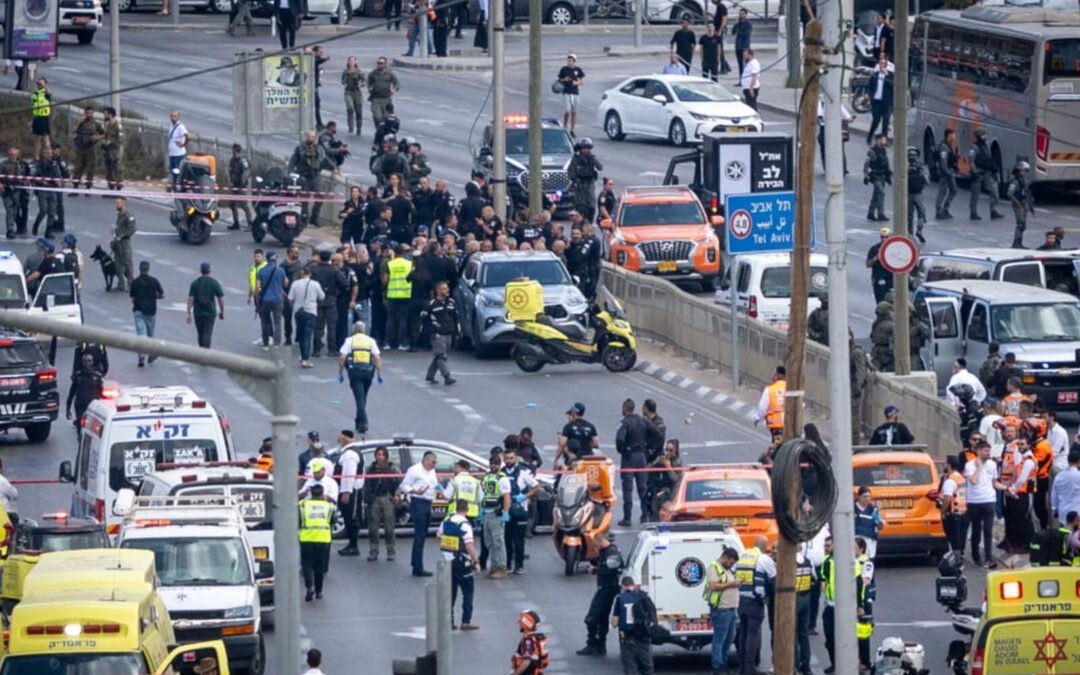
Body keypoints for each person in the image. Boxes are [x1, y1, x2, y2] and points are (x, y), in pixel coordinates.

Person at [577, 530, 623, 656]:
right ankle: (600, 646)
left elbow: (611, 570)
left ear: (601, 540)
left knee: (591, 618)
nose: (595, 545)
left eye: (595, 543)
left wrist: (595, 570)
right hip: (605, 588)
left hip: (607, 589)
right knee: (602, 618)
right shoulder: (605, 551)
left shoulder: (612, 553)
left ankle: (593, 644)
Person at [438, 499, 481, 630]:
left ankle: (449, 621)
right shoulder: (465, 524)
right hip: (462, 562)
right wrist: (476, 562)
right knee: (468, 592)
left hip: (447, 561)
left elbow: (439, 535)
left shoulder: (446, 521)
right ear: (467, 509)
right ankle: (466, 621)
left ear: (456, 508)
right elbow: (469, 546)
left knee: (450, 593)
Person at [736, 535, 774, 675]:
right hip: (755, 601)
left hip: (741, 600)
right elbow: (774, 578)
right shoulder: (763, 559)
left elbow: (734, 573)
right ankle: (749, 668)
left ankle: (742, 667)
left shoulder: (742, 556)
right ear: (764, 546)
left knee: (743, 633)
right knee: (753, 634)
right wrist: (767, 600)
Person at [338, 321, 382, 437]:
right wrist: (379, 374)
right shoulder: (370, 341)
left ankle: (363, 423)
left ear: (354, 330)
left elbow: (342, 357)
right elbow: (377, 358)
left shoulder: (349, 341)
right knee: (363, 397)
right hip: (368, 372)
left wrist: (340, 372)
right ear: (364, 330)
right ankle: (358, 421)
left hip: (355, 372)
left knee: (359, 399)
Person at [616, 398, 655, 527]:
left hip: (629, 458)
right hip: (642, 457)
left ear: (624, 408)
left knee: (628, 489)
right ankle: (645, 515)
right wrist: (649, 448)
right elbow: (656, 433)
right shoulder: (643, 420)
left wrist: (623, 450)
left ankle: (627, 517)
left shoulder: (625, 423)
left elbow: (620, 439)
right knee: (642, 488)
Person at [400, 451, 439, 576]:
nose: (434, 465)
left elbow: (434, 485)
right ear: (426, 460)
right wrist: (414, 491)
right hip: (418, 502)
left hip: (428, 503)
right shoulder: (414, 470)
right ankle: (417, 566)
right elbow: (403, 486)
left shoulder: (432, 471)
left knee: (423, 535)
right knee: (419, 535)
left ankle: (417, 564)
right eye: (433, 462)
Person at [704, 546, 740, 674]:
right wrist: (732, 584)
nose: (731, 565)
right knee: (720, 639)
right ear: (724, 557)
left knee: (730, 637)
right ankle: (717, 666)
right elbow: (713, 586)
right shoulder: (714, 568)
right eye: (731, 562)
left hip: (731, 609)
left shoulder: (727, 569)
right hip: (721, 609)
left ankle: (723, 662)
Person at [503, 448, 539, 574]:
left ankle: (519, 565)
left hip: (520, 510)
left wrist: (525, 496)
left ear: (516, 458)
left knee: (519, 539)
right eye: (507, 458)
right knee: (506, 539)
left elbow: (536, 487)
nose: (509, 461)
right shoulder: (501, 473)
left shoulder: (524, 472)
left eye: (511, 458)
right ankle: (507, 564)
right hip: (506, 510)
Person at [965, 440, 999, 568]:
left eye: (989, 451)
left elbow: (994, 482)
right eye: (985, 451)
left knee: (988, 530)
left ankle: (988, 557)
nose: (988, 453)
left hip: (989, 499)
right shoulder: (970, 465)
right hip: (974, 501)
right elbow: (973, 481)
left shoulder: (992, 465)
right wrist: (979, 467)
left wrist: (1007, 488)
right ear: (978, 451)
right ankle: (976, 556)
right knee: (976, 529)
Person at [364, 445, 401, 561]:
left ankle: (391, 551)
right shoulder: (371, 469)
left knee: (389, 528)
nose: (380, 457)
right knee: (373, 528)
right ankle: (373, 551)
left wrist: (397, 495)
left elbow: (400, 483)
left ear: (386, 456)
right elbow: (366, 485)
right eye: (378, 455)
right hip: (374, 499)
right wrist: (365, 500)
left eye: (383, 455)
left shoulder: (392, 468)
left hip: (387, 498)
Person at [299, 482, 335, 601]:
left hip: (306, 538)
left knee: (307, 564)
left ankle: (310, 587)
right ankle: (319, 592)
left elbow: (299, 520)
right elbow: (333, 521)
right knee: (319, 565)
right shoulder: (329, 506)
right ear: (323, 494)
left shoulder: (303, 505)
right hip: (323, 538)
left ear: (311, 493)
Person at [611, 576, 654, 675]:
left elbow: (614, 623)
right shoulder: (643, 597)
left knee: (630, 668)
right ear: (633, 585)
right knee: (647, 669)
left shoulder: (620, 599)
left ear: (622, 586)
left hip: (626, 639)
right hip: (643, 639)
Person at [289, 131, 332, 227]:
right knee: (304, 199)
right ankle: (304, 218)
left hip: (316, 175)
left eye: (313, 137)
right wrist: (290, 173)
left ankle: (314, 218)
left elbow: (324, 158)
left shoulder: (319, 149)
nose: (312, 138)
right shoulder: (300, 149)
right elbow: (293, 161)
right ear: (307, 137)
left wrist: (333, 167)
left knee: (320, 197)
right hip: (304, 176)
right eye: (310, 136)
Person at [480, 451, 511, 578]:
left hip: (496, 513)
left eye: (496, 463)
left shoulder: (502, 478)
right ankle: (493, 566)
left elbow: (506, 496)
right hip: (487, 512)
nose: (493, 465)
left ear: (499, 465)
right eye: (491, 463)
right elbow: (483, 494)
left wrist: (505, 512)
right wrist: (481, 511)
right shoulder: (486, 477)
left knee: (498, 542)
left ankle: (501, 568)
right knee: (489, 542)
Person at [420, 280, 457, 385]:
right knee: (441, 355)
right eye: (444, 289)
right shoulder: (431, 304)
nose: (447, 290)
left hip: (449, 332)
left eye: (447, 288)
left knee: (441, 356)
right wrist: (431, 330)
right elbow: (424, 318)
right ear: (438, 290)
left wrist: (456, 331)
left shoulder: (451, 302)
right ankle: (447, 377)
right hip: (437, 334)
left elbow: (455, 317)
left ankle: (430, 375)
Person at [130, 261, 164, 368]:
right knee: (150, 334)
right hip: (151, 311)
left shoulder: (135, 282)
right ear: (148, 269)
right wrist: (154, 297)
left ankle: (141, 356)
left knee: (140, 335)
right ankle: (151, 353)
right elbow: (162, 295)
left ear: (139, 269)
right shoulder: (154, 281)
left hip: (138, 310)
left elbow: (132, 298)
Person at [289, 266, 325, 367]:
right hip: (310, 311)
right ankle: (306, 359)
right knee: (308, 336)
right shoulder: (315, 284)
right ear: (310, 274)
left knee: (300, 335)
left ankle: (302, 356)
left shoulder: (295, 284)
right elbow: (322, 297)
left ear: (301, 274)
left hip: (298, 311)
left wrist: (294, 305)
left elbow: (290, 298)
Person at [334, 435, 363, 556]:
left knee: (351, 517)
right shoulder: (349, 452)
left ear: (344, 439)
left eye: (340, 438)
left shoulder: (350, 454)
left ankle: (354, 545)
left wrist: (346, 492)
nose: (338, 440)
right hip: (350, 490)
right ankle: (351, 544)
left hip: (351, 491)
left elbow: (348, 474)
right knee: (348, 517)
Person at [186, 262, 225, 349]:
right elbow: (221, 299)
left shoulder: (195, 283)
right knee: (207, 333)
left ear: (201, 271)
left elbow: (190, 299)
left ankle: (201, 350)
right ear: (209, 271)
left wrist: (189, 314)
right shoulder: (214, 283)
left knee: (200, 333)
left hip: (198, 313)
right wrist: (222, 312)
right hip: (210, 313)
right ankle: (205, 352)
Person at [968, 128, 1003, 221]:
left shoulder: (986, 146)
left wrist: (994, 169)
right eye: (983, 135)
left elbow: (989, 158)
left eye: (985, 135)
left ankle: (993, 210)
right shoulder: (974, 148)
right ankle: (973, 212)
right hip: (978, 173)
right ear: (978, 136)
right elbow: (971, 161)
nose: (985, 137)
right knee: (975, 194)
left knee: (994, 191)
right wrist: (974, 172)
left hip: (987, 172)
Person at [256, 251, 287, 348]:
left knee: (265, 321)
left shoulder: (261, 271)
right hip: (278, 299)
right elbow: (285, 283)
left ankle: (265, 342)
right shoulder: (281, 270)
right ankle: (277, 343)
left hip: (266, 299)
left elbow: (258, 287)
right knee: (278, 322)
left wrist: (258, 298)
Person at [66, 353, 103, 432]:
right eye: (85, 361)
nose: (87, 363)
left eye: (89, 361)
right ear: (82, 363)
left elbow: (101, 394)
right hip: (80, 405)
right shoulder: (78, 376)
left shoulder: (97, 377)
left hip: (93, 406)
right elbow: (71, 393)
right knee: (80, 425)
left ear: (92, 362)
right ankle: (80, 437)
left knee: (92, 427)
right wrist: (68, 409)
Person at [940, 455, 969, 553]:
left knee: (954, 542)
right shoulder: (961, 478)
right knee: (960, 540)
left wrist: (942, 512)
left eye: (944, 463)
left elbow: (947, 499)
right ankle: (960, 556)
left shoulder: (950, 481)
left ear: (949, 465)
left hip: (953, 515)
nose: (943, 465)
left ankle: (956, 559)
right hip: (963, 512)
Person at [568, 139, 602, 223]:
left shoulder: (592, 158)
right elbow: (571, 171)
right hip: (580, 184)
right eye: (584, 148)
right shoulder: (576, 158)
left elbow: (600, 167)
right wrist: (576, 179)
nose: (586, 150)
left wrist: (593, 160)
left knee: (591, 205)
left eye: (588, 148)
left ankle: (589, 222)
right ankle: (581, 222)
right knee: (581, 205)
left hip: (589, 183)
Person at [556, 402, 599, 468]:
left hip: (573, 459)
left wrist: (556, 459)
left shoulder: (568, 426)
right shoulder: (591, 426)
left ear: (573, 412)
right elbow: (596, 444)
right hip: (587, 458)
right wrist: (585, 445)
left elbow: (562, 444)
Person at [71, 106, 103, 192]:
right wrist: (80, 122)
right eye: (87, 113)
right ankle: (75, 186)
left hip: (90, 148)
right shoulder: (81, 122)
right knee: (78, 167)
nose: (89, 115)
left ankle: (88, 186)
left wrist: (96, 137)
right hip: (80, 147)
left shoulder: (96, 124)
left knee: (90, 168)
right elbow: (73, 130)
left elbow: (103, 134)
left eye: (91, 113)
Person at [855, 537, 876, 670]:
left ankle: (865, 661)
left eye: (854, 547)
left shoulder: (866, 562)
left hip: (863, 602)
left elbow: (865, 581)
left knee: (863, 633)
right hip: (855, 600)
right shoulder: (854, 561)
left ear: (861, 548)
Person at [794, 547, 816, 675]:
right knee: (804, 633)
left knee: (793, 633)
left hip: (793, 599)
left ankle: (795, 663)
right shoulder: (808, 561)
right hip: (806, 598)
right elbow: (814, 579)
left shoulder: (790, 562)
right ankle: (806, 665)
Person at [511, 610, 550, 675]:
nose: (518, 622)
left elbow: (526, 661)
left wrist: (515, 674)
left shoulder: (528, 641)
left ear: (525, 624)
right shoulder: (536, 638)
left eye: (520, 620)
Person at [367, 57, 400, 130]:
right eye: (378, 63)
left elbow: (396, 83)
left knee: (387, 117)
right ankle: (379, 130)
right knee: (377, 116)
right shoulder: (373, 73)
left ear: (385, 64)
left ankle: (385, 131)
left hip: (386, 98)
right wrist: (369, 87)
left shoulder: (389, 73)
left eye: (381, 63)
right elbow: (369, 81)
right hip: (376, 98)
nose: (379, 65)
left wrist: (394, 90)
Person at [754, 365, 786, 440]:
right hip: (789, 424)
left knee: (776, 444)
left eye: (774, 374)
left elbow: (762, 407)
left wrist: (757, 418)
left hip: (776, 424)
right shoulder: (791, 388)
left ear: (778, 375)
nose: (773, 377)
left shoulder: (770, 389)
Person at [864, 134, 891, 221]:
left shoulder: (883, 150)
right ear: (878, 140)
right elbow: (867, 164)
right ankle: (881, 214)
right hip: (875, 176)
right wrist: (866, 176)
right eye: (883, 140)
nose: (885, 141)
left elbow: (886, 164)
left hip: (882, 175)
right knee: (881, 193)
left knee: (876, 194)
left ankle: (871, 213)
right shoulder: (872, 151)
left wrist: (888, 175)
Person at [1007, 160, 1034, 248]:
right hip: (1018, 204)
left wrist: (1029, 203)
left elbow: (1027, 193)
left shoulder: (1025, 181)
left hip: (1024, 204)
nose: (1025, 173)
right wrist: (1018, 203)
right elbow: (1009, 194)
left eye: (1026, 171)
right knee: (1020, 224)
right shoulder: (1015, 182)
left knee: (1023, 225)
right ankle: (1016, 243)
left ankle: (1019, 242)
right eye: (1023, 171)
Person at [866, 56, 894, 142]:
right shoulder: (875, 75)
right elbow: (870, 86)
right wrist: (868, 94)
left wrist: (887, 76)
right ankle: (870, 136)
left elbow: (893, 86)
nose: (882, 65)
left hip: (886, 101)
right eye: (880, 63)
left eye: (883, 64)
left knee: (886, 121)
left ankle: (883, 139)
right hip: (876, 101)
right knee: (876, 120)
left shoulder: (890, 75)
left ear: (886, 65)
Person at [854, 486, 887, 558]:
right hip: (856, 541)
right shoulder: (853, 509)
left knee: (868, 561)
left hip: (870, 542)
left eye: (869, 496)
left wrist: (880, 523)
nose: (867, 499)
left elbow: (880, 526)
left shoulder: (873, 510)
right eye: (865, 496)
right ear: (859, 496)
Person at [820, 536, 837, 673]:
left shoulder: (845, 561)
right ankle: (834, 663)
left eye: (828, 546)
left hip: (843, 606)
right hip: (830, 605)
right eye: (825, 546)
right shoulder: (826, 561)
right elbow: (823, 579)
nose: (826, 548)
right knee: (829, 639)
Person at [111, 196, 135, 293]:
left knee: (127, 265)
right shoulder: (119, 215)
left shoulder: (128, 216)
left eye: (118, 203)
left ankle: (131, 285)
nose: (116, 205)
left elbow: (132, 229)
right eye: (116, 203)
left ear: (124, 203)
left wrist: (122, 236)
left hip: (125, 244)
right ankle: (121, 284)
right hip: (118, 244)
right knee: (118, 265)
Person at [227, 144, 253, 231]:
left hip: (241, 186)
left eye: (234, 151)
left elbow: (246, 173)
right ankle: (236, 223)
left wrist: (242, 184)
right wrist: (231, 181)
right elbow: (230, 171)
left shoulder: (243, 161)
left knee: (244, 205)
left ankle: (250, 223)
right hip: (235, 185)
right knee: (232, 204)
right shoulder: (232, 160)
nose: (233, 153)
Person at [935, 128, 959, 220]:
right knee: (942, 191)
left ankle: (945, 208)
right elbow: (943, 162)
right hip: (945, 173)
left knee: (954, 190)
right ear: (949, 135)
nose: (955, 136)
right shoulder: (944, 147)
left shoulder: (949, 145)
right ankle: (938, 210)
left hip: (949, 171)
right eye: (953, 134)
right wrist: (947, 172)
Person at [907, 146, 929, 243]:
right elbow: (927, 181)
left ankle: (910, 234)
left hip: (909, 194)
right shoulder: (920, 167)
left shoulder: (904, 166)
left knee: (910, 215)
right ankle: (918, 230)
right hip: (917, 194)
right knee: (921, 213)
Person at [850, 334, 870, 441]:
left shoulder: (856, 353)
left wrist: (857, 388)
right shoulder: (849, 351)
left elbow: (860, 371)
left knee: (854, 418)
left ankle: (854, 442)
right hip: (848, 389)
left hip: (853, 391)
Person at [866, 227, 893, 303]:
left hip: (892, 278)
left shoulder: (893, 248)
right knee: (881, 301)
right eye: (882, 237)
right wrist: (876, 258)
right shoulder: (874, 249)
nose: (884, 239)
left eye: (886, 237)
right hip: (879, 278)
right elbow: (868, 264)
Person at [166, 111, 190, 191]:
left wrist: (183, 144)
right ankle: (174, 186)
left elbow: (188, 137)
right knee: (173, 170)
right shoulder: (171, 126)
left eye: (174, 116)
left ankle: (177, 187)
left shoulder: (180, 127)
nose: (172, 118)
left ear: (178, 117)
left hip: (178, 154)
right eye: (171, 116)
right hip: (172, 153)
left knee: (177, 171)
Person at [30, 76, 52, 158]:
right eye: (38, 83)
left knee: (46, 139)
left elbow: (49, 92)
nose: (39, 85)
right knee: (37, 139)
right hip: (36, 117)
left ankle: (49, 156)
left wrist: (44, 85)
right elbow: (34, 106)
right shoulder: (35, 93)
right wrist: (31, 120)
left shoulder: (45, 92)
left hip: (44, 117)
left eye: (40, 83)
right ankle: (37, 157)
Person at [710, 0, 731, 73]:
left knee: (719, 49)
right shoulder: (719, 7)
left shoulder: (721, 7)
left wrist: (720, 30)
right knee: (719, 49)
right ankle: (726, 66)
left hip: (719, 31)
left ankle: (724, 68)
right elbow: (718, 18)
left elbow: (724, 19)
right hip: (717, 30)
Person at [732, 8, 752, 78]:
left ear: (746, 15)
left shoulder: (748, 24)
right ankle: (741, 79)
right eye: (740, 14)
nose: (741, 15)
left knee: (746, 64)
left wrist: (739, 32)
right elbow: (733, 32)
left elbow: (746, 34)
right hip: (738, 46)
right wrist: (735, 24)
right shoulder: (738, 23)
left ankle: (747, 78)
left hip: (745, 46)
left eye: (742, 14)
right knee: (740, 64)